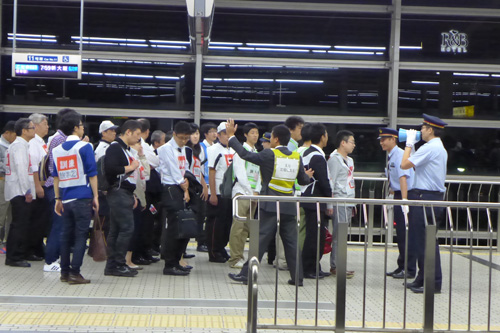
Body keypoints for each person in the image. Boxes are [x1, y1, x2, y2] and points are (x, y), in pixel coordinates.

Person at [226, 119, 313, 286]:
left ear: (276, 139)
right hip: (289, 205)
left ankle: (246, 275)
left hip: (270, 204)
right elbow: (302, 180)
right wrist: (308, 177)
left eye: (271, 137)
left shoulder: (269, 154)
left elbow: (245, 155)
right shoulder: (296, 156)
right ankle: (297, 278)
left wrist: (232, 137)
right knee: (291, 242)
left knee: (260, 241)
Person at [401, 114, 446, 294]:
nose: (420, 131)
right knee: (422, 242)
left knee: (426, 242)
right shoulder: (436, 147)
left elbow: (404, 164)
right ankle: (422, 278)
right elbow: (414, 165)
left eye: (423, 128)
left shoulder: (430, 147)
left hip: (425, 198)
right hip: (429, 197)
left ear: (430, 130)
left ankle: (433, 282)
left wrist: (409, 144)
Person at [52, 112, 98, 284]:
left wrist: (57, 199)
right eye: (81, 125)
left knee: (65, 235)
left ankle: (64, 272)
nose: (83, 128)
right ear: (75, 128)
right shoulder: (85, 147)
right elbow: (92, 174)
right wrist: (96, 196)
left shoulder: (56, 150)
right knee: (80, 236)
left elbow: (56, 176)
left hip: (65, 198)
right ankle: (75, 272)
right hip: (83, 197)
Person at [103, 120, 142, 277]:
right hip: (118, 193)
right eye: (137, 134)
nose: (139, 138)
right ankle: (118, 263)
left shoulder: (124, 149)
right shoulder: (115, 148)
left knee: (117, 229)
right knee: (126, 228)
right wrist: (130, 167)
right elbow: (110, 169)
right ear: (128, 132)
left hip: (123, 192)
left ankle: (112, 264)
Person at [44, 108, 80, 272]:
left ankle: (55, 258)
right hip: (57, 186)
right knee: (58, 224)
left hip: (60, 186)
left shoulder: (59, 138)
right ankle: (50, 260)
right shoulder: (60, 140)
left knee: (62, 224)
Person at [378, 128, 415, 279]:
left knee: (405, 233)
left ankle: (409, 268)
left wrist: (404, 201)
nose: (381, 142)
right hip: (399, 194)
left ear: (393, 139)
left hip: (405, 196)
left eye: (384, 139)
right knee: (400, 233)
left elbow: (403, 178)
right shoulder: (391, 155)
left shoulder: (399, 154)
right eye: (380, 140)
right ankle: (402, 266)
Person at [157, 121, 193, 276]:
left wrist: (186, 186)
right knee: (173, 228)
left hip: (182, 187)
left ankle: (177, 260)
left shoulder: (184, 149)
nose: (184, 141)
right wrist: (184, 187)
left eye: (186, 138)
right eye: (181, 138)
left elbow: (185, 168)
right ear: (174, 134)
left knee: (182, 227)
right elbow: (173, 169)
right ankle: (169, 264)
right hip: (171, 188)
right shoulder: (165, 149)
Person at [301, 123, 333, 279]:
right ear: (322, 137)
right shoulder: (317, 156)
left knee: (313, 235)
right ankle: (309, 268)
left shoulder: (307, 152)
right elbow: (324, 181)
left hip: (308, 199)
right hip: (315, 201)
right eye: (326, 134)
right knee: (315, 237)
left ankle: (314, 266)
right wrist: (330, 200)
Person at [228, 122, 261, 269]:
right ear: (245, 135)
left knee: (247, 228)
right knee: (238, 226)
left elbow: (260, 175)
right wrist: (250, 192)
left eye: (257, 132)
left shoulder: (257, 153)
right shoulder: (240, 152)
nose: (255, 135)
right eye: (252, 132)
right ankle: (235, 258)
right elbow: (241, 175)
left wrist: (257, 192)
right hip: (241, 193)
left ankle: (242, 256)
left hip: (253, 195)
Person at [4, 118, 36, 267]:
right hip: (19, 190)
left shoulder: (18, 145)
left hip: (17, 189)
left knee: (18, 223)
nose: (34, 130)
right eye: (32, 128)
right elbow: (21, 168)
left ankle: (15, 254)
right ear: (24, 131)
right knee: (19, 224)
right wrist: (27, 191)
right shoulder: (19, 146)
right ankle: (14, 256)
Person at [328, 130, 356, 279]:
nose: (354, 145)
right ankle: (336, 266)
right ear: (343, 143)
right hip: (339, 200)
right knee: (339, 236)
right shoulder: (334, 159)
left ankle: (340, 264)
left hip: (348, 200)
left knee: (343, 235)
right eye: (351, 142)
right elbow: (331, 181)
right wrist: (330, 205)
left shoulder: (349, 160)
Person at [206, 122, 234, 263]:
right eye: (225, 133)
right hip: (217, 190)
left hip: (230, 192)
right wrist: (212, 193)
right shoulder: (214, 149)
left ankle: (221, 247)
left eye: (230, 133)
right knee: (216, 223)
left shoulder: (232, 149)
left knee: (227, 222)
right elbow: (212, 171)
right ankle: (213, 251)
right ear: (218, 135)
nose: (227, 137)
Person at [27, 113, 49, 263]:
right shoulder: (33, 143)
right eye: (45, 123)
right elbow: (34, 167)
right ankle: (31, 249)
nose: (48, 127)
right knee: (35, 220)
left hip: (43, 186)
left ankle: (38, 246)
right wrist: (37, 186)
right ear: (36, 125)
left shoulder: (41, 142)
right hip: (36, 187)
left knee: (42, 220)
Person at [187, 123, 209, 253]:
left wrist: (204, 187)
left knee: (201, 215)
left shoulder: (199, 150)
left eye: (197, 133)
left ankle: (201, 242)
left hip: (197, 186)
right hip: (187, 187)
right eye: (192, 134)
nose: (195, 136)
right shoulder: (185, 149)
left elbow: (199, 170)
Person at [0, 121, 16, 252]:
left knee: (11, 213)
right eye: (15, 134)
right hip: (2, 180)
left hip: (11, 182)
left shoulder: (13, 146)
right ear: (7, 133)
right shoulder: (0, 145)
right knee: (1, 212)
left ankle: (7, 242)